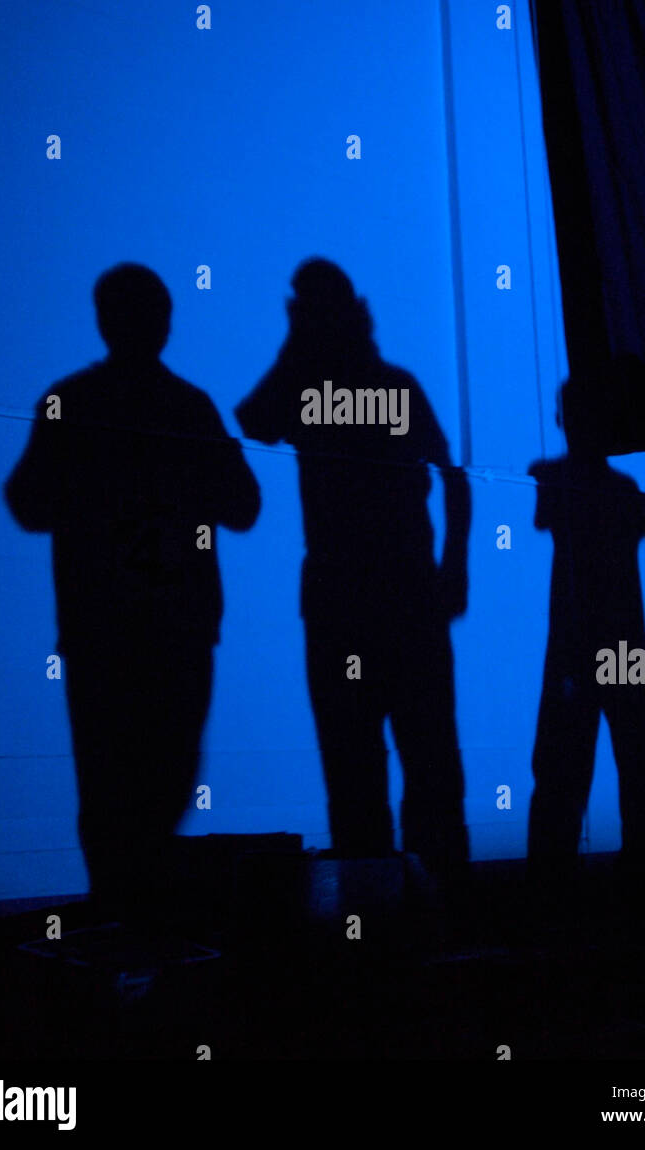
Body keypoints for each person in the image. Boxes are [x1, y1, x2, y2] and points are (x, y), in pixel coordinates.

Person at [5, 263, 259, 904]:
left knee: (107, 788)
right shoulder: (190, 407)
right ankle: (144, 925)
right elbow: (244, 506)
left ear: (103, 321)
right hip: (178, 630)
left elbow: (28, 503)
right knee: (163, 783)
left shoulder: (71, 400)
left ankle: (117, 927)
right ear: (163, 324)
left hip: (100, 630)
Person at [236, 259, 469, 873]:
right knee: (413, 762)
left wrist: (454, 569)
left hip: (357, 597)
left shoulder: (324, 388)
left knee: (367, 766)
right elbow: (454, 478)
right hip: (394, 592)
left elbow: (253, 421)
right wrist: (455, 568)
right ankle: (429, 912)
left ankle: (385, 917)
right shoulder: (377, 385)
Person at [527, 376, 645, 886]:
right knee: (636, 761)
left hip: (576, 639)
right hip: (623, 636)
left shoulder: (550, 480)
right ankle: (643, 874)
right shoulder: (625, 491)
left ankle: (551, 880)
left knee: (564, 762)